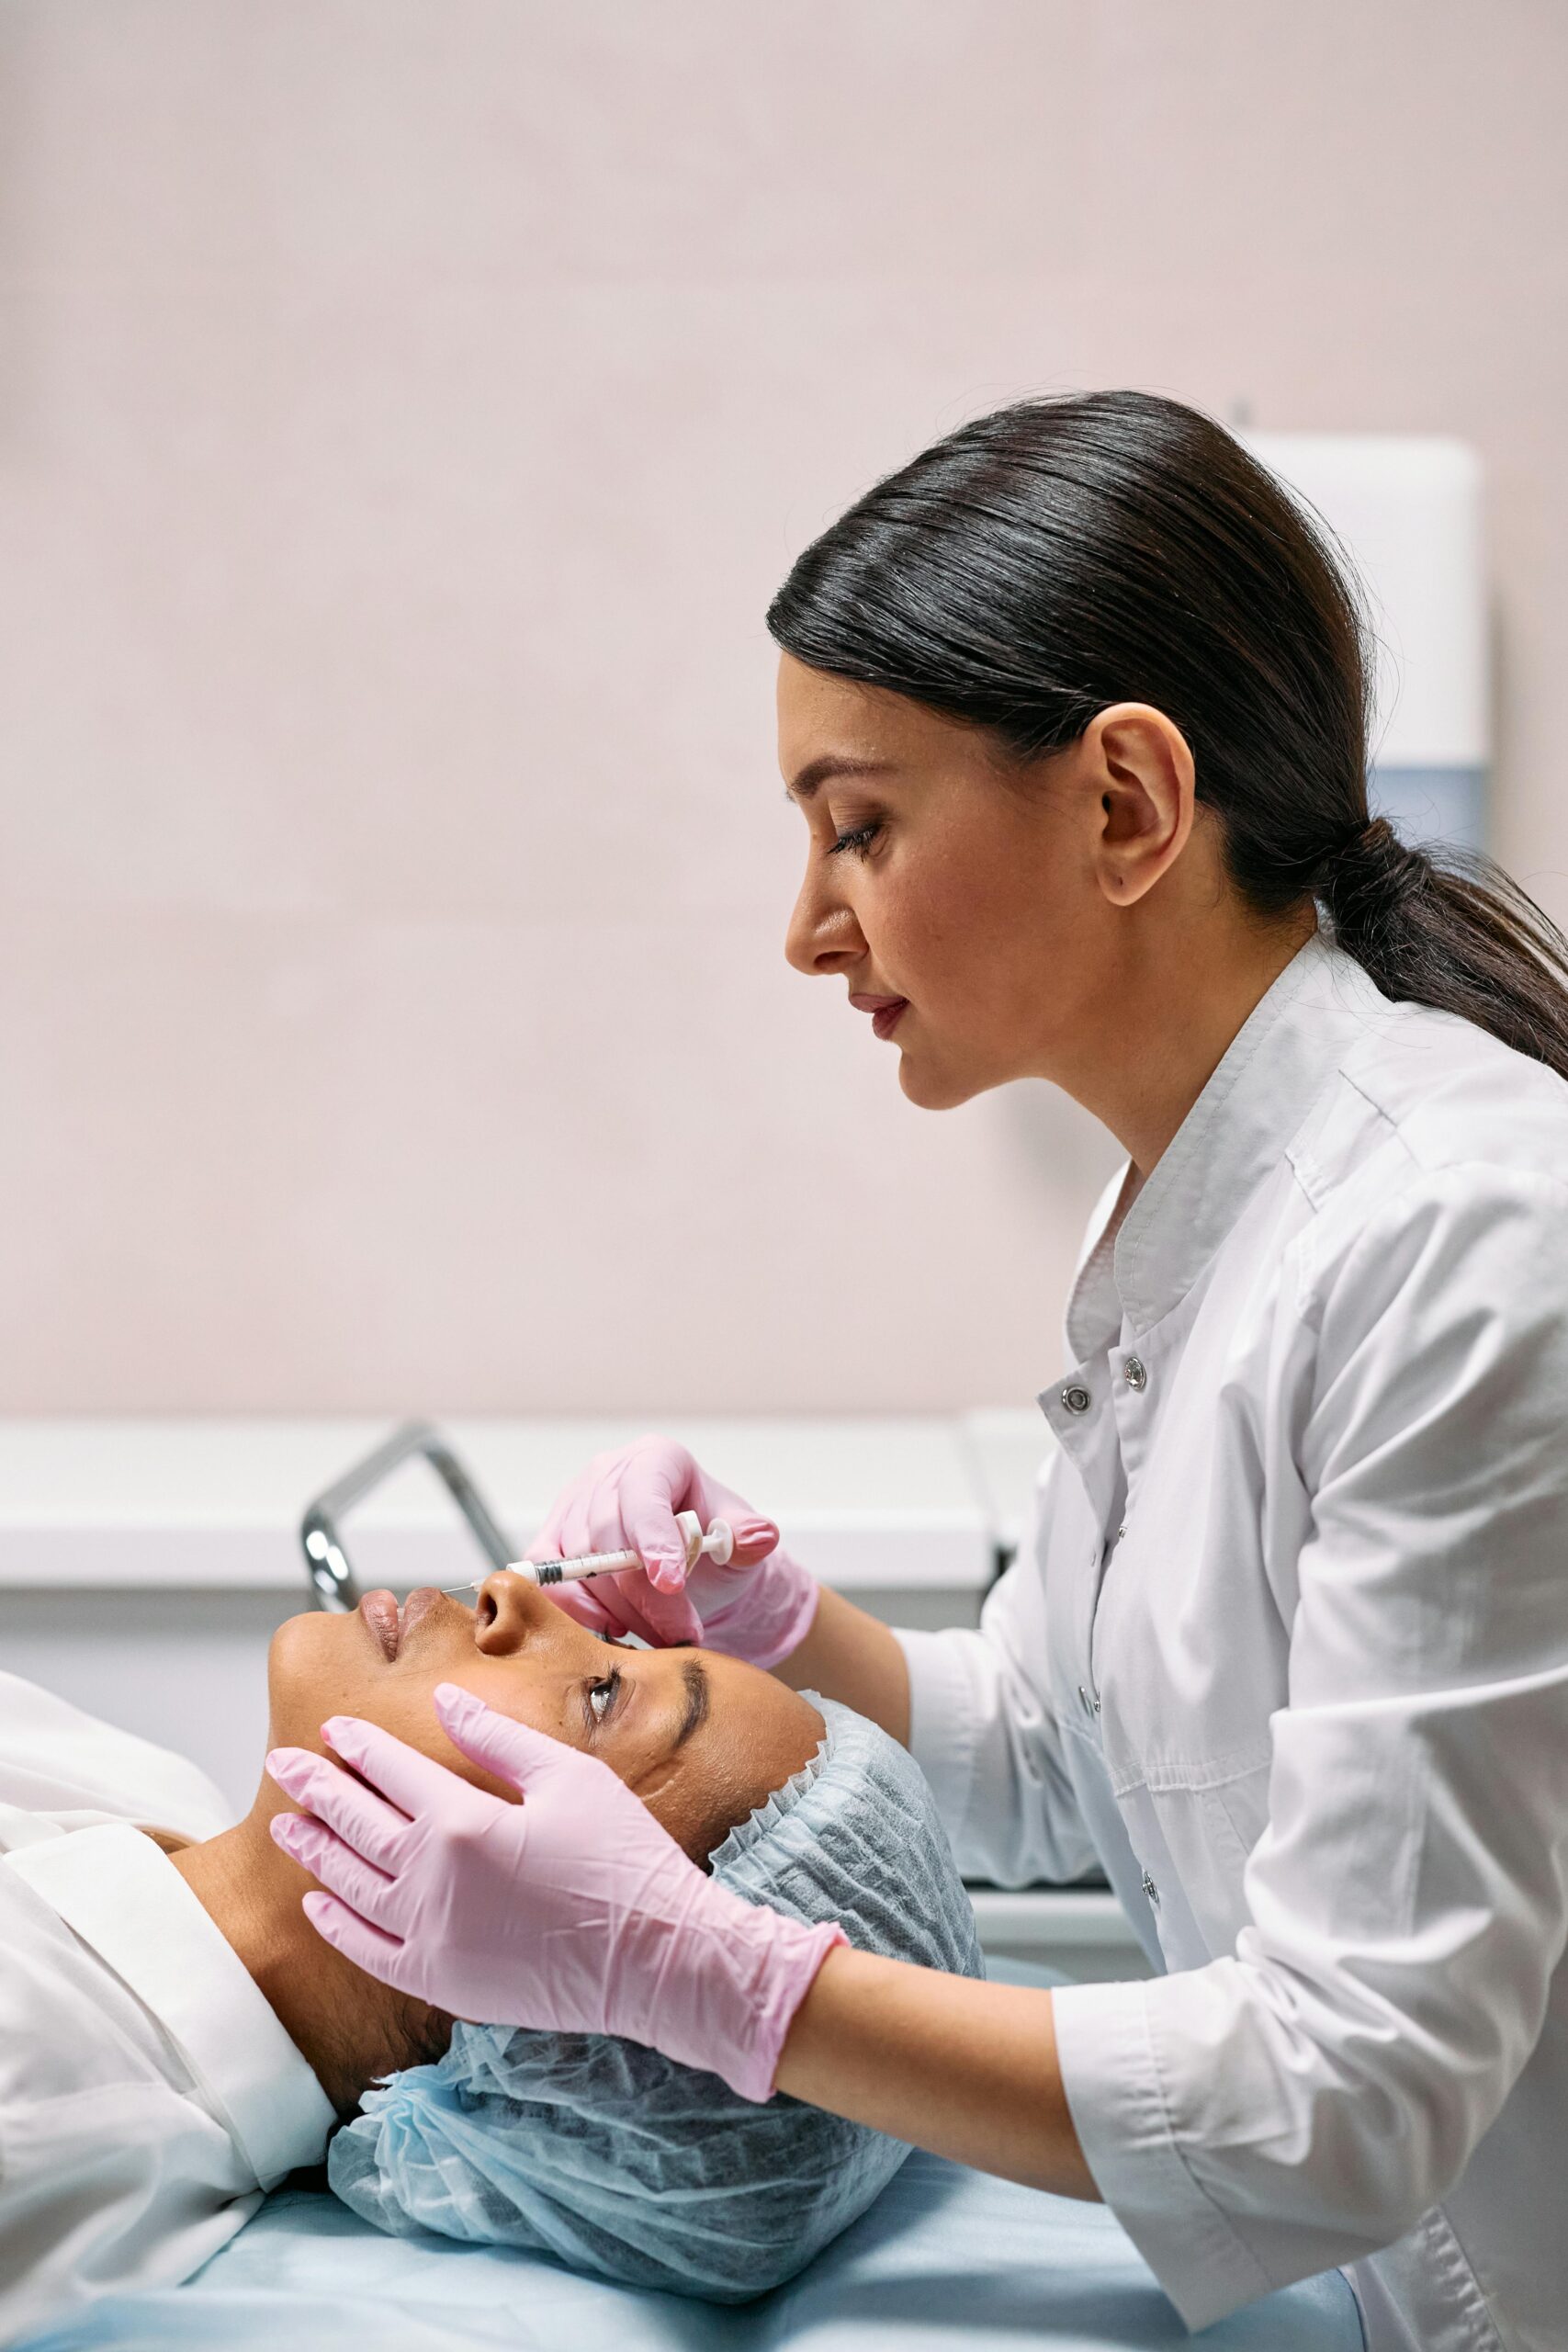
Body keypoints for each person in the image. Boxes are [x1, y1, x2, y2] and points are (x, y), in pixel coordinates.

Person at [281, 390, 1568, 2352]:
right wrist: (790, 1635)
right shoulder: (1184, 1206)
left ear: (1125, 802)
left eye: (859, 826)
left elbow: (1343, 2097)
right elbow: (1084, 1755)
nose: (809, 928)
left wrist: (696, 1970)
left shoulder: (1465, 1239)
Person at [0, 1570, 980, 2340]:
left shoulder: (34, 2105)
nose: (520, 1592)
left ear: (539, 2003)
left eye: (600, 1695)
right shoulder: (143, 1787)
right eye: (622, 1646)